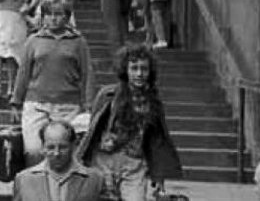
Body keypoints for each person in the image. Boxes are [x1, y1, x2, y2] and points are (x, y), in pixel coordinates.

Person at [78, 44, 182, 200]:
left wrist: (159, 176)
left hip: (134, 166)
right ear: (125, 70)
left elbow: (157, 140)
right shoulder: (108, 95)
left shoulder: (152, 102)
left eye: (144, 69)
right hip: (104, 162)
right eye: (134, 68)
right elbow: (93, 131)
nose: (139, 74)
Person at [10, 0, 94, 164]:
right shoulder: (33, 40)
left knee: (64, 155)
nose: (53, 19)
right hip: (36, 104)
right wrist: (16, 103)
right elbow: (23, 73)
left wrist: (89, 105)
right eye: (49, 14)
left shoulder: (78, 42)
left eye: (58, 14)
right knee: (33, 151)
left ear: (67, 17)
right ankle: (35, 188)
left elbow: (88, 74)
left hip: (68, 106)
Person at [13, 120, 102, 201]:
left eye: (63, 147)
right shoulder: (23, 180)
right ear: (43, 147)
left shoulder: (95, 180)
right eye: (51, 147)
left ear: (73, 145)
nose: (56, 153)